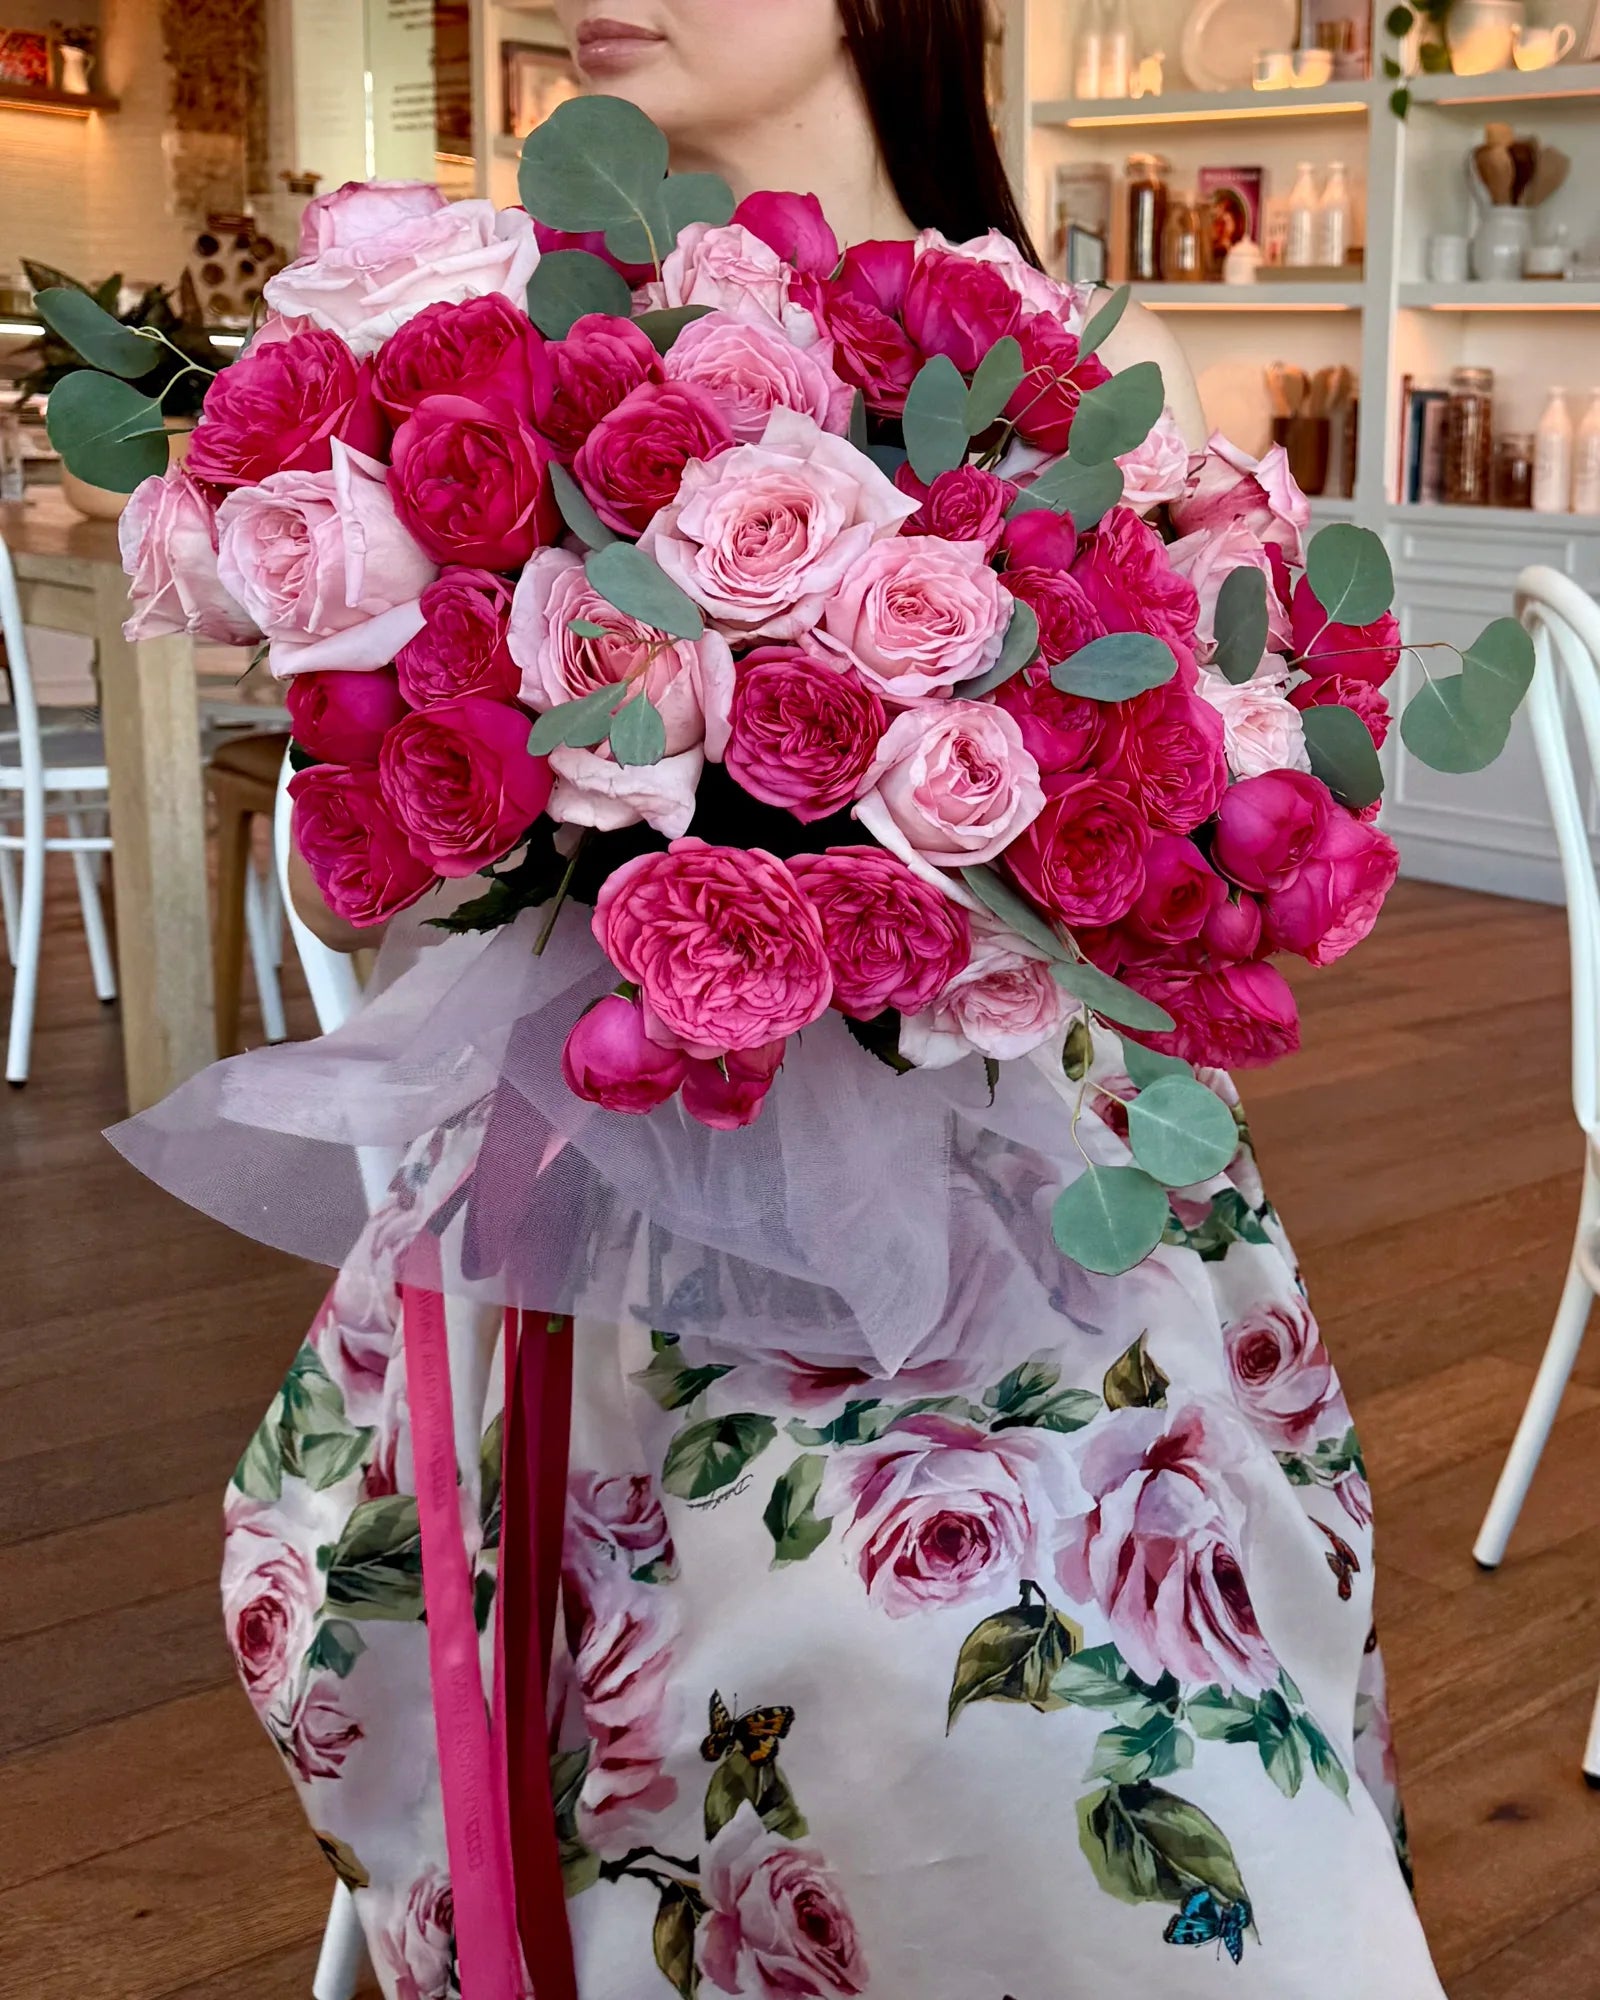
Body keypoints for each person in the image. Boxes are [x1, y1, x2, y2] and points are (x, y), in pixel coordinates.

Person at [197, 4, 1444, 1997]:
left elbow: (1174, 851)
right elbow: (402, 836)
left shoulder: (1086, 365)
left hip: (1011, 1163)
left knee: (1039, 1666)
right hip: (607, 1178)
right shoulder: (526, 347)